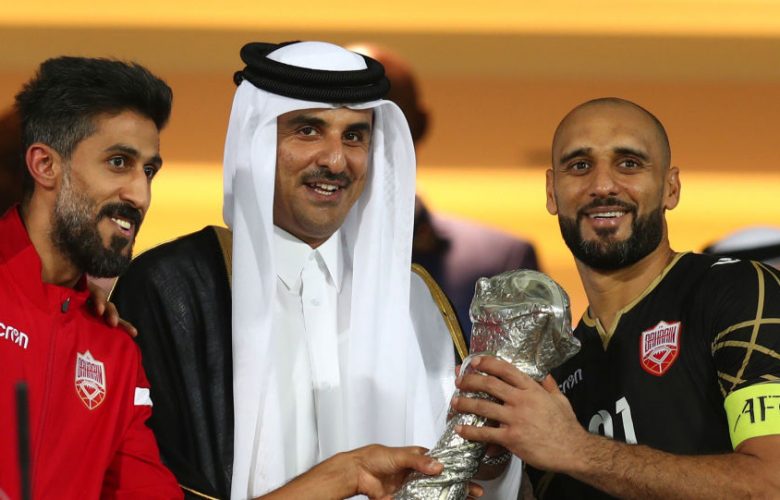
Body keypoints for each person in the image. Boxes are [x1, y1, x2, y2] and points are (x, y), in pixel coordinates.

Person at [111, 41, 516, 499]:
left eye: (355, 136)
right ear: (257, 140)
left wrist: (497, 448)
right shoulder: (173, 288)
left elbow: (470, 471)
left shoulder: (413, 298)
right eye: (308, 130)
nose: (335, 160)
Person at [452, 97, 780, 498]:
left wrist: (577, 450)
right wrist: (495, 469)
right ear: (552, 192)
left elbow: (771, 484)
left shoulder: (741, 291)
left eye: (629, 163)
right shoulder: (553, 378)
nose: (603, 186)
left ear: (671, 187)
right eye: (579, 166)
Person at [0, 56, 182, 499]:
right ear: (45, 165)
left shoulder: (115, 351)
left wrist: (334, 480)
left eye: (149, 171)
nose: (140, 195)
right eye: (119, 162)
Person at [347, 43, 540, 342]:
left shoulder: (501, 260)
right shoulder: (284, 247)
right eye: (350, 126)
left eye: (388, 117)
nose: (370, 137)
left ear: (420, 124)